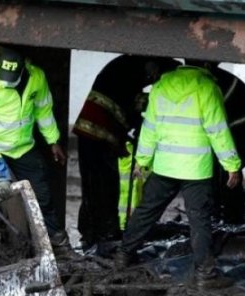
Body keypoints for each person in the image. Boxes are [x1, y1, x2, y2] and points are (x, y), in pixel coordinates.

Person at [114, 65, 242, 289]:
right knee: (199, 219)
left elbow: (150, 127)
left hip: (165, 165)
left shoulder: (161, 85)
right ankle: (205, 274)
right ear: (207, 65)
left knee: (146, 210)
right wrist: (232, 165)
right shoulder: (207, 87)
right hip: (196, 169)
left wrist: (142, 160)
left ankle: (123, 256)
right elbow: (218, 130)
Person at [0, 48, 75, 258]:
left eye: (12, 78)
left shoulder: (37, 78)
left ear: (23, 69)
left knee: (42, 195)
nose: (7, 82)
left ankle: (59, 245)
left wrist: (53, 140)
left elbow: (43, 111)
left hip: (24, 148)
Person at [73, 55, 179, 252]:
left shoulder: (126, 67)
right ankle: (104, 234)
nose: (155, 80)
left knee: (97, 185)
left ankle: (95, 232)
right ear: (152, 65)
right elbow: (134, 106)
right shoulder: (130, 70)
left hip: (98, 133)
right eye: (157, 75)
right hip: (97, 134)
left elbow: (128, 106)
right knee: (102, 185)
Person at [185, 60, 245, 223]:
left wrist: (231, 165)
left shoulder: (211, 83)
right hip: (232, 120)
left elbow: (217, 128)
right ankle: (221, 212)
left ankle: (233, 216)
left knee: (229, 173)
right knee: (219, 170)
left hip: (244, 120)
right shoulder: (200, 79)